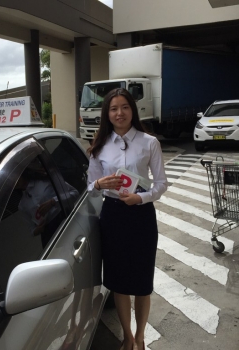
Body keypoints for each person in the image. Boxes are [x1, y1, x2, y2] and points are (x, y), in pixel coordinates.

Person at [87, 88, 168, 350]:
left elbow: (161, 183)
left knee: (142, 283)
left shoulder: (149, 142)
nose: (119, 113)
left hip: (141, 215)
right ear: (107, 114)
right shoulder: (100, 143)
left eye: (124, 107)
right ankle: (127, 336)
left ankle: (141, 336)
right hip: (112, 216)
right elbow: (89, 185)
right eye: (113, 108)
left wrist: (141, 199)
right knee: (119, 282)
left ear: (133, 110)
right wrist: (99, 183)